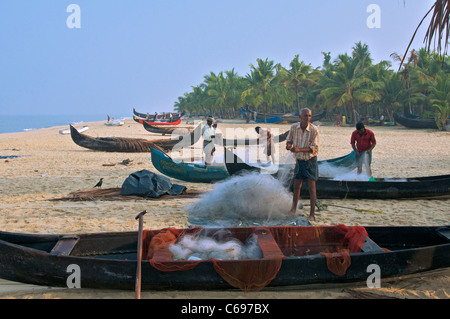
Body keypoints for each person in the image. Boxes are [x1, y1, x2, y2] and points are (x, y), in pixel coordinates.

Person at [286, 108, 319, 221]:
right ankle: (293, 210)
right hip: (299, 160)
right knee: (296, 186)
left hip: (310, 161)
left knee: (311, 188)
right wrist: (289, 146)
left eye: (309, 116)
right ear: (300, 117)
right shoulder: (294, 127)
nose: (307, 118)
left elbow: (313, 149)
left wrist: (298, 149)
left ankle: (312, 214)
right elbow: (289, 140)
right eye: (305, 116)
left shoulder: (314, 130)